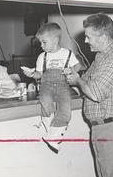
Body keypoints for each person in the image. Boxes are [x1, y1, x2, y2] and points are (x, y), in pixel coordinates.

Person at [66, 13, 113, 177]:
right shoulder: (101, 56)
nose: (85, 41)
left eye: (88, 36)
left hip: (112, 130)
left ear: (104, 37)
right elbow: (87, 83)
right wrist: (75, 78)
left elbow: (95, 93)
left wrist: (77, 80)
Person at [23, 22, 83, 153]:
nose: (41, 45)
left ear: (55, 40)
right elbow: (39, 74)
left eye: (44, 42)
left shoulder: (67, 54)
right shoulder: (42, 57)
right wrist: (32, 74)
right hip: (47, 85)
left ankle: (53, 137)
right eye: (40, 42)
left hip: (63, 86)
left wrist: (71, 70)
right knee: (45, 101)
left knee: (66, 110)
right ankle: (50, 130)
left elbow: (79, 66)